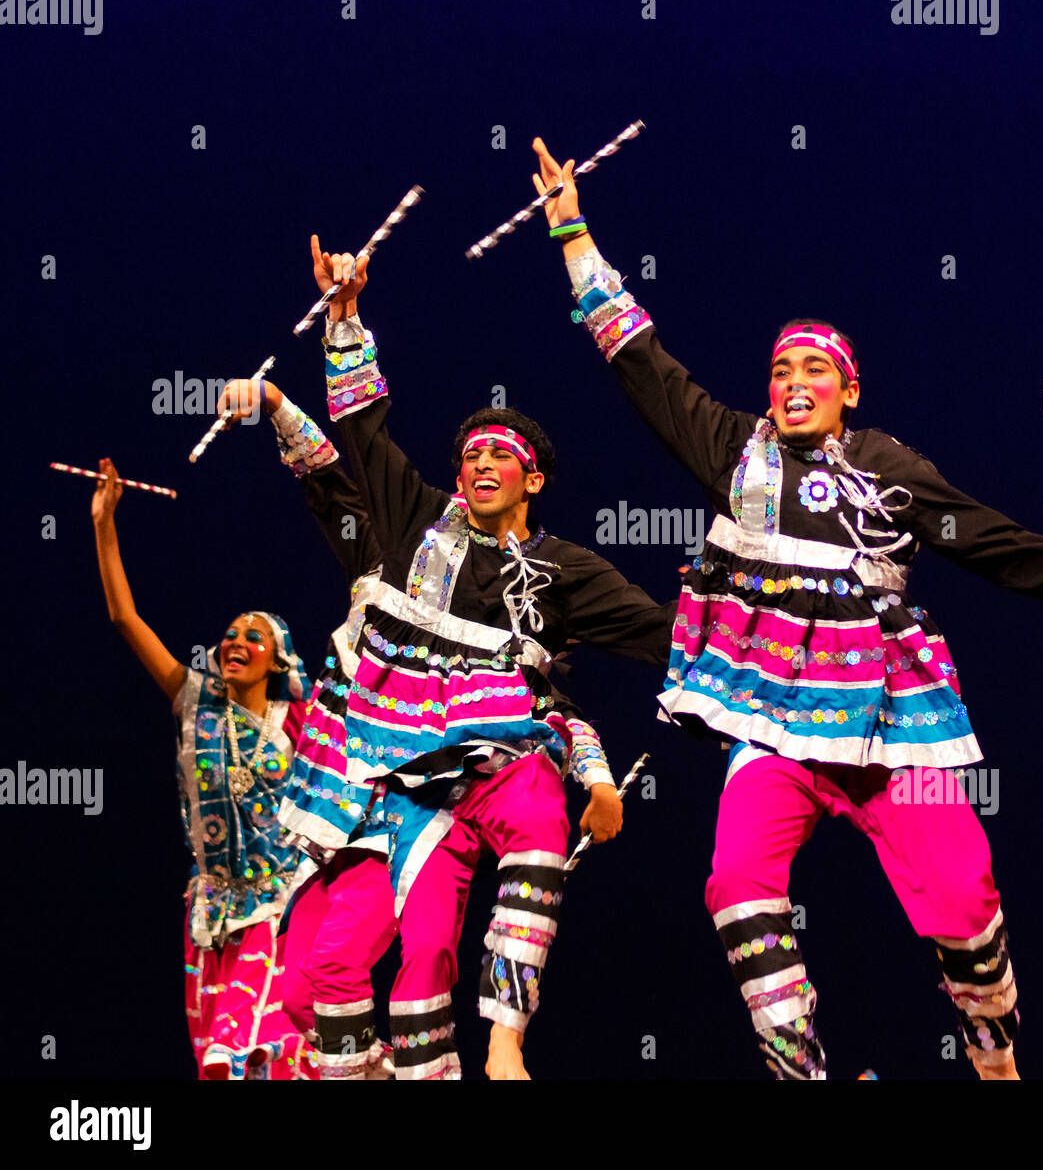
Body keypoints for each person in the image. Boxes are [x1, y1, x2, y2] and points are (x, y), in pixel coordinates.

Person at [527, 137, 1043, 1081]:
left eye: (815, 373)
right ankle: (805, 1073)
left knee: (962, 900)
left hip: (893, 729)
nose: (793, 384)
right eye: (781, 371)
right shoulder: (734, 455)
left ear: (849, 391)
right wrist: (571, 229)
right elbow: (642, 360)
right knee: (736, 887)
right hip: (775, 727)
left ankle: (995, 1058)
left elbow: (1008, 548)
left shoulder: (891, 470)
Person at [306, 235, 674, 1079]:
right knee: (408, 956)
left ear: (534, 478)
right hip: (410, 778)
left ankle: (507, 1033)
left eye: (498, 453)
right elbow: (363, 428)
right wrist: (344, 314)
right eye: (468, 452)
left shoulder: (565, 569)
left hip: (506, 758)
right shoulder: (416, 520)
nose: (478, 461)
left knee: (541, 824)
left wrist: (742, 601)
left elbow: (660, 632)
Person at [92, 458, 318, 1080]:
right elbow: (124, 618)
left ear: (277, 661)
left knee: (238, 1050)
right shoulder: (196, 705)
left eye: (254, 637)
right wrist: (104, 525)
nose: (236, 642)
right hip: (207, 917)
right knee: (214, 1061)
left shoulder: (300, 726)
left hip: (275, 911)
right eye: (230, 634)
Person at [217, 376, 398, 1080]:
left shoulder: (481, 601)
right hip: (328, 819)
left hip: (401, 819)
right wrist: (273, 403)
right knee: (297, 994)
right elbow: (330, 486)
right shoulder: (386, 566)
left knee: (333, 966)